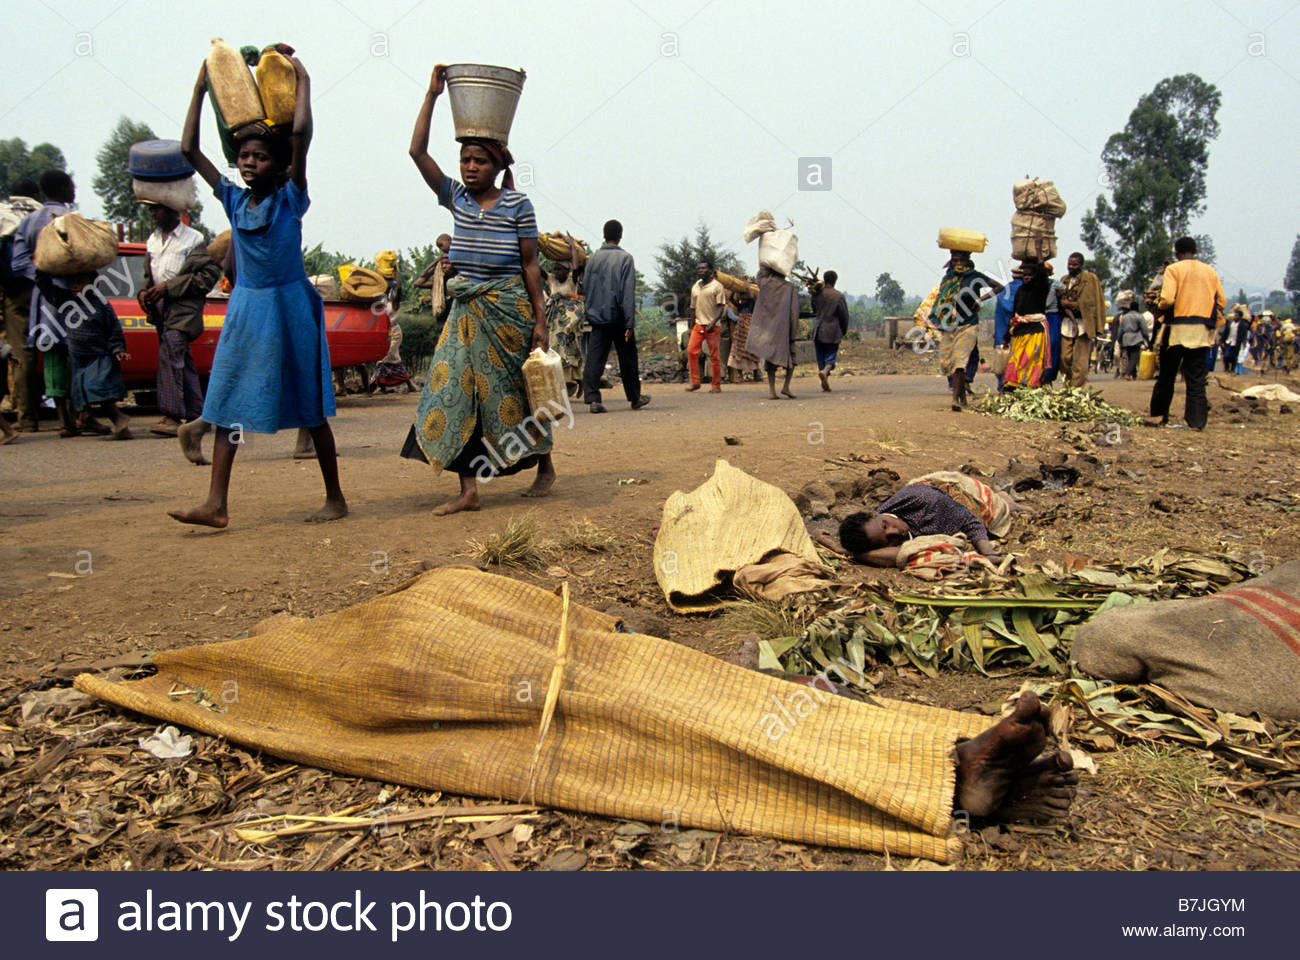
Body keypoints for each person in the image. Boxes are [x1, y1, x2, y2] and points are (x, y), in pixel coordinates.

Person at [168, 53, 347, 528]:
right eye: (244, 155)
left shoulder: (291, 198)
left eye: (259, 156)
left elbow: (300, 137)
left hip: (289, 306)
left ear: (278, 163)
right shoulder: (232, 199)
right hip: (247, 307)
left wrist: (303, 77)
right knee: (226, 400)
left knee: (310, 407)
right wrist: (201, 88)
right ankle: (217, 505)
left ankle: (335, 498)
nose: (249, 162)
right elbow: (189, 151)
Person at [399, 63, 554, 516]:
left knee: (515, 394)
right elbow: (416, 151)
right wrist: (431, 96)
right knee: (455, 390)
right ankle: (469, 490)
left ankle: (545, 465)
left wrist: (540, 323)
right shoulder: (455, 198)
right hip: (465, 312)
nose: (469, 167)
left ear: (496, 165)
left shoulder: (518, 206)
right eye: (465, 160)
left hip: (508, 312)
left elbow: (530, 266)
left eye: (479, 160)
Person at [12, 169, 97, 436]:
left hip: (45, 301)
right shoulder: (75, 221)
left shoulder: (29, 222)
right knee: (80, 354)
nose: (73, 191)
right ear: (61, 188)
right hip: (77, 298)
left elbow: (18, 261)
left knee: (53, 357)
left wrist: (41, 276)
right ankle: (83, 415)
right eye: (71, 186)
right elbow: (91, 257)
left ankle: (63, 420)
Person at [827, 472, 1024, 567]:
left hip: (960, 492)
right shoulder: (877, 530)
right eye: (889, 539)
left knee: (1000, 508)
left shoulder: (924, 501)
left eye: (886, 525)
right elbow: (899, 554)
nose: (896, 532)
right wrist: (846, 551)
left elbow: (970, 522)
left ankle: (1007, 500)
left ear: (873, 514)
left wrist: (987, 553)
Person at [138, 203, 215, 436]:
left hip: (184, 309)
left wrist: (169, 287)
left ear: (173, 210)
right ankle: (198, 414)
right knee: (182, 358)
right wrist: (144, 292)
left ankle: (172, 416)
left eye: (157, 209)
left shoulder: (194, 240)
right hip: (162, 310)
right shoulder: (152, 241)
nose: (153, 213)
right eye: (151, 209)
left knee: (171, 351)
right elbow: (148, 275)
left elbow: (208, 276)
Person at [1149, 237, 1225, 430]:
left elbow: (1167, 299)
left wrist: (1158, 305)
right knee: (1196, 380)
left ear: (1177, 252)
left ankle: (1159, 415)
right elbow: (1222, 302)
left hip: (1176, 331)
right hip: (1201, 333)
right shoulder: (1210, 271)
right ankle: (1197, 421)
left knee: (1167, 376)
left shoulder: (1173, 270)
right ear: (1195, 251)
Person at [581, 219, 649, 414]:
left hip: (598, 319)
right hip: (620, 320)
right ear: (620, 236)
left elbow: (586, 288)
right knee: (628, 357)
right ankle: (635, 398)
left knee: (595, 357)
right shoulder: (626, 259)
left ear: (604, 235)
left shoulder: (592, 258)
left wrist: (591, 313)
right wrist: (630, 322)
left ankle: (593, 399)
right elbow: (627, 294)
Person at [61, 272, 133, 440]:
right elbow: (48, 291)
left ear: (93, 284)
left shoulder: (101, 304)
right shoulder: (67, 302)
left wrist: (118, 349)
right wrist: (40, 274)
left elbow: (113, 329)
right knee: (83, 393)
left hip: (100, 356)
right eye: (72, 282)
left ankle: (120, 418)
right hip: (79, 358)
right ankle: (121, 428)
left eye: (80, 282)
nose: (75, 286)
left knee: (98, 391)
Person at [930, 251, 1002, 409]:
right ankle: (962, 397)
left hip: (968, 325)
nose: (958, 264)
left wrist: (981, 299)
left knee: (960, 361)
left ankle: (955, 400)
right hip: (950, 326)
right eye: (955, 261)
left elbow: (999, 286)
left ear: (967, 261)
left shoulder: (975, 277)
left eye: (961, 260)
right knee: (947, 362)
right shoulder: (949, 278)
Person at [1, 179, 44, 432]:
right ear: (36, 194)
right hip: (50, 289)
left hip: (17, 292)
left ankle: (28, 418)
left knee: (21, 354)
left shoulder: (4, 213)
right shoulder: (46, 214)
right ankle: (72, 416)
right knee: (59, 350)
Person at [745, 265, 799, 399]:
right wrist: (793, 333)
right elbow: (794, 313)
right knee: (791, 360)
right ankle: (786, 386)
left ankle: (772, 390)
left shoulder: (764, 284)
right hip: (783, 330)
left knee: (770, 361)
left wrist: (766, 265)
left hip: (767, 330)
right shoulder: (789, 288)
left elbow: (759, 274)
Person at [1056, 252, 1106, 387]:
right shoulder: (1064, 280)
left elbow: (1093, 303)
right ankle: (1069, 384)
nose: (1071, 267)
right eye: (1069, 264)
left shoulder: (1090, 279)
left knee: (1080, 361)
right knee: (1064, 358)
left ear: (1081, 265)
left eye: (1075, 264)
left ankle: (1077, 389)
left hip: (1083, 323)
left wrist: (1071, 304)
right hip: (1066, 324)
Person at [1002, 261, 1053, 388]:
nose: (1027, 277)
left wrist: (1039, 257)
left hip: (1035, 330)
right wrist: (1006, 337)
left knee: (1031, 360)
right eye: (1024, 275)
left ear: (1035, 276)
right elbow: (1015, 313)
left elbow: (1042, 275)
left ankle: (1031, 386)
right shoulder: (1020, 290)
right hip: (1020, 330)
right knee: (1016, 360)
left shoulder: (1040, 289)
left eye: (1030, 275)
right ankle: (1014, 385)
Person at [686, 260, 727, 392]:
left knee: (714, 356)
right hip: (699, 324)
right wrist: (691, 326)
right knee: (691, 351)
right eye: (698, 269)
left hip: (713, 326)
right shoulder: (696, 286)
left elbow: (721, 307)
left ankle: (716, 385)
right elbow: (692, 308)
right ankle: (695, 382)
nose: (700, 271)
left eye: (703, 268)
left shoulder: (717, 286)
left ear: (710, 270)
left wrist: (713, 322)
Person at [811, 270, 850, 392]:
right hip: (832, 330)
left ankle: (824, 379)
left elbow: (814, 309)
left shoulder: (816, 294)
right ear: (835, 281)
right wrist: (843, 330)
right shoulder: (838, 296)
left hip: (818, 329)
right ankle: (826, 371)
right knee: (830, 357)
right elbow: (844, 315)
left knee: (820, 357)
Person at [1115, 293, 1151, 380]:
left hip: (1126, 339)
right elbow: (1144, 329)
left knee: (1130, 356)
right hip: (1136, 338)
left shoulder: (1125, 317)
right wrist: (1147, 338)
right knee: (1134, 357)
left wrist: (1119, 339)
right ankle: (1127, 373)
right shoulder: (1139, 316)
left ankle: (1134, 375)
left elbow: (1121, 330)